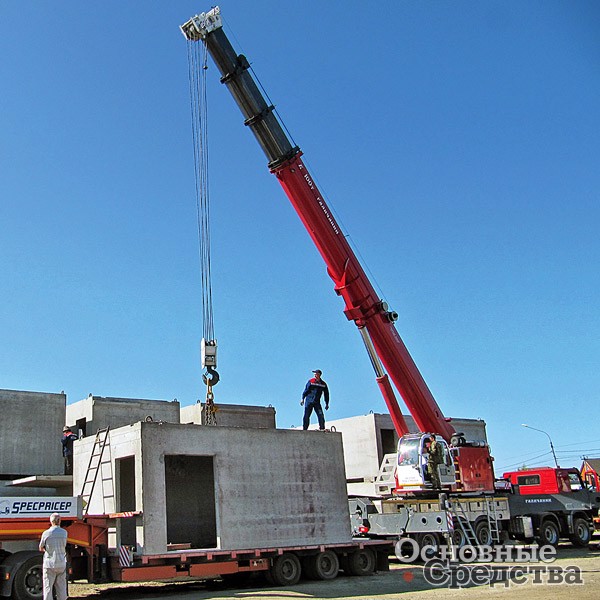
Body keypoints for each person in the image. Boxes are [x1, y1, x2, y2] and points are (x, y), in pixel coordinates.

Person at [39, 512, 68, 600]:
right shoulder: (64, 533)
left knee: (48, 588)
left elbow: (40, 547)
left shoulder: (46, 533)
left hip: (49, 563)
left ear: (51, 521)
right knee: (62, 588)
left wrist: (45, 550)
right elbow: (64, 545)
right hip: (61, 563)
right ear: (60, 521)